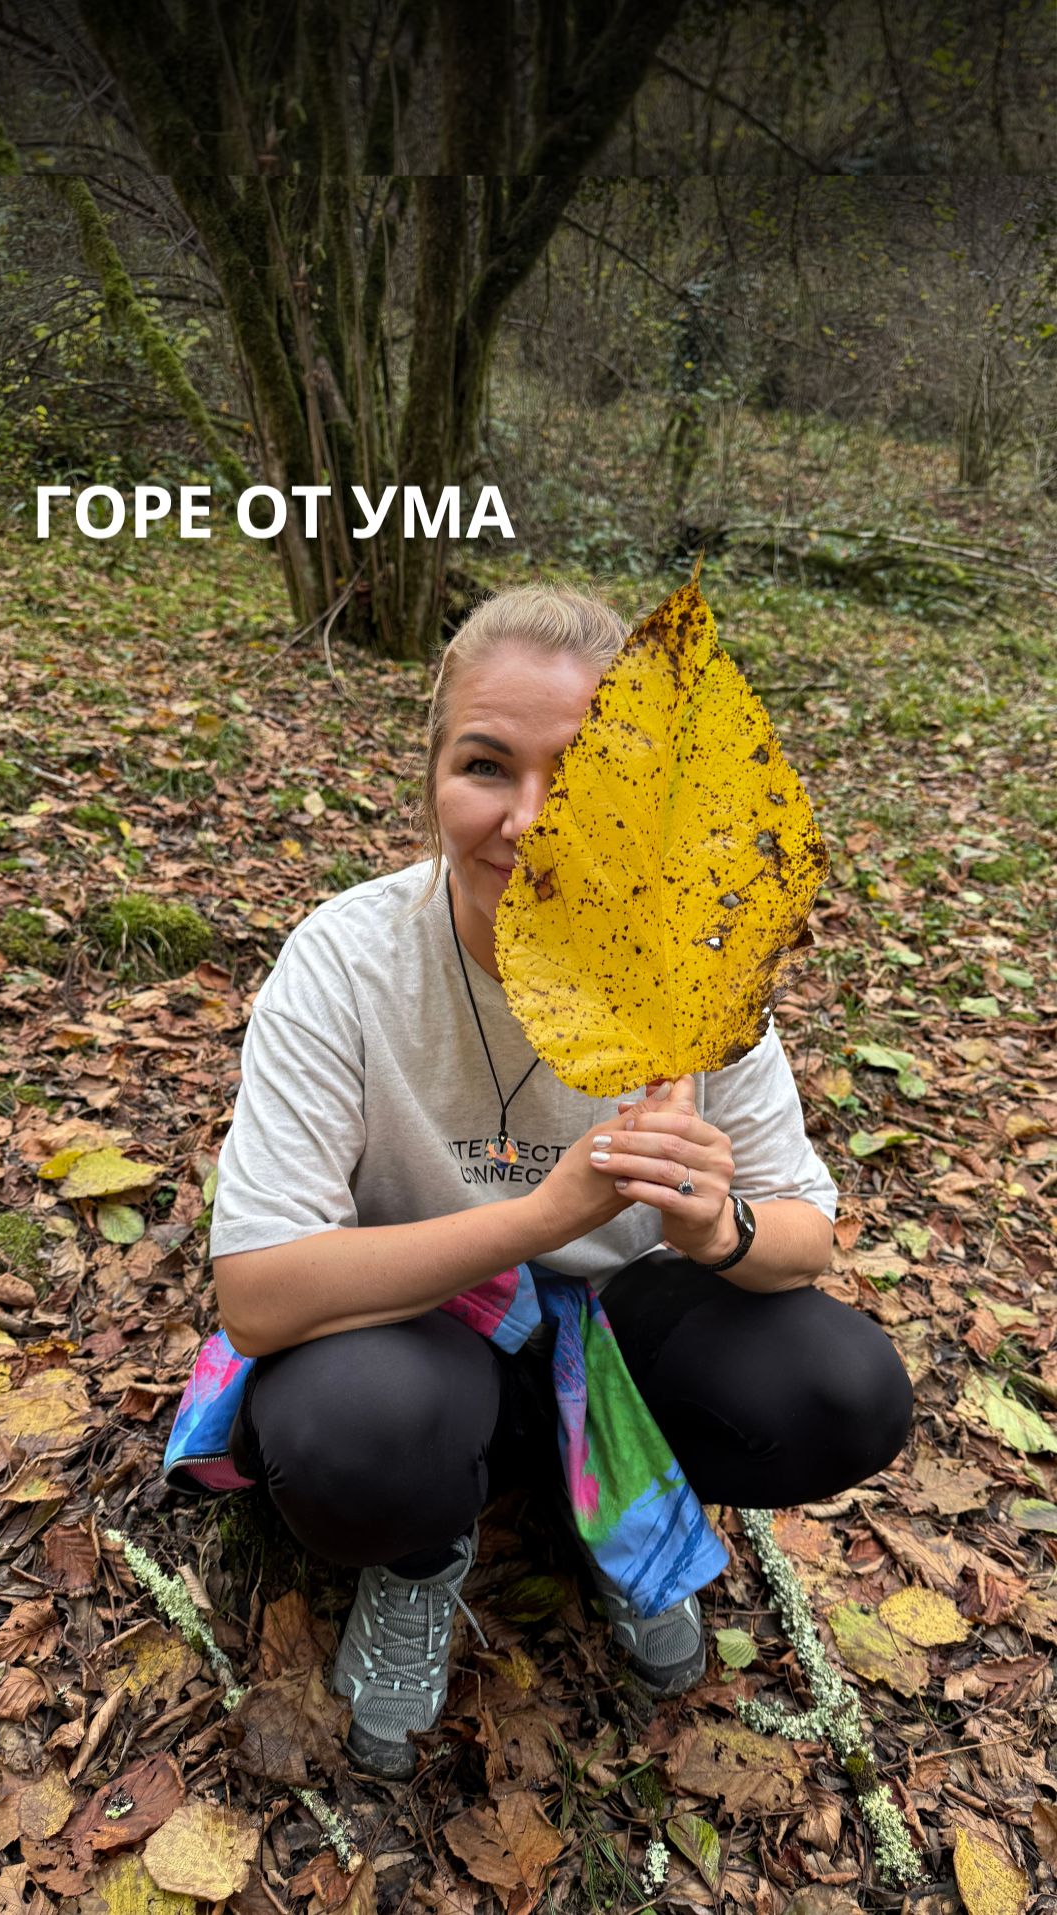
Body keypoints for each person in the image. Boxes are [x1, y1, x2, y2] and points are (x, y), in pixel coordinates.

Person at [210, 582, 913, 1780]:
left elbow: (808, 1232)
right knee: (353, 1435)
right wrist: (544, 1215)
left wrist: (719, 1227)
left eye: (582, 777)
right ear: (434, 778)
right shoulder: (348, 962)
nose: (530, 820)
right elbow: (258, 1295)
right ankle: (422, 1550)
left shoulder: (690, 975)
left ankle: (613, 1491)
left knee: (842, 1390)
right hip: (415, 1335)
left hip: (618, 1332)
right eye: (487, 765)